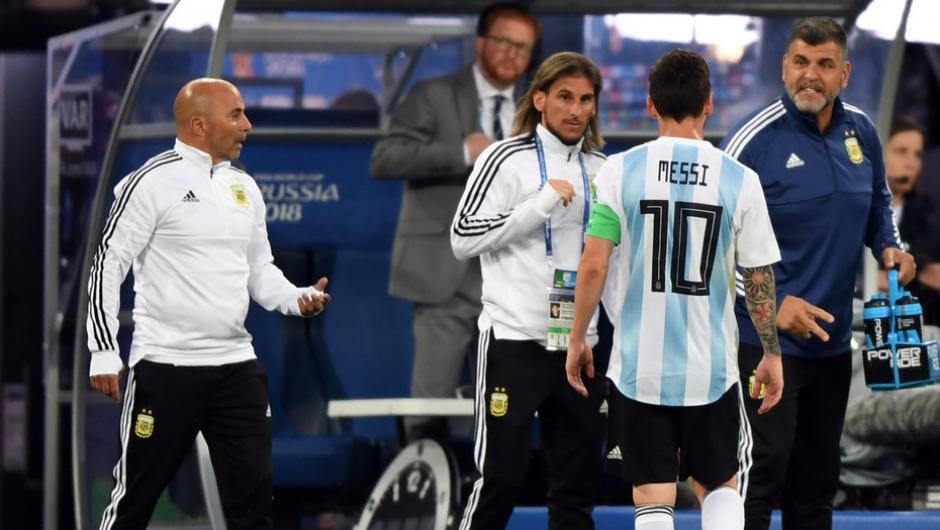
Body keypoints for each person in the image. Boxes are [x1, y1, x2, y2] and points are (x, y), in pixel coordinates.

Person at [86, 78, 331, 530]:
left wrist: (297, 299)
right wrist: (103, 349)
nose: (247, 125)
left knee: (254, 509)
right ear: (199, 125)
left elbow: (259, 270)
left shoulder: (244, 187)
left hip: (236, 367)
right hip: (166, 366)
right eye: (235, 115)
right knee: (133, 503)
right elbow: (107, 265)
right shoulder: (149, 183)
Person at [565, 48, 785, 530]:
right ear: (709, 103)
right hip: (712, 368)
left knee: (652, 495)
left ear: (650, 104)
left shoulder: (619, 171)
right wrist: (771, 352)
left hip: (639, 366)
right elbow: (758, 277)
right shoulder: (740, 179)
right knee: (720, 486)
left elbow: (594, 262)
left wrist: (578, 337)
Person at [719, 17, 916, 530]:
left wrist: (889, 246)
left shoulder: (862, 132)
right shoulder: (751, 142)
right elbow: (712, 250)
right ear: (784, 66)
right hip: (763, 347)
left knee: (817, 484)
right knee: (759, 474)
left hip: (831, 348)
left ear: (844, 73)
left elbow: (878, 203)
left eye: (825, 64)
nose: (811, 75)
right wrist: (772, 305)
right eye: (801, 62)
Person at [451, 51, 607, 530]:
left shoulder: (605, 168)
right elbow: (463, 237)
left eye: (585, 99)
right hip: (513, 340)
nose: (576, 110)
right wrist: (538, 205)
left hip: (581, 345)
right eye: (564, 97)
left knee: (577, 492)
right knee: (499, 480)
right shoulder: (503, 158)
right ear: (539, 99)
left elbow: (613, 263)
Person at [370, 2, 540, 441]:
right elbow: (385, 159)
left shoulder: (537, 107)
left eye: (522, 47)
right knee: (431, 400)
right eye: (503, 42)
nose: (512, 54)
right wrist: (463, 152)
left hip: (512, 276)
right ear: (480, 43)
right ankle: (425, 477)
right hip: (442, 272)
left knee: (506, 402)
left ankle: (493, 481)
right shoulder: (433, 95)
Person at [882, 116, 940, 325]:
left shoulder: (930, 224)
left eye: (917, 155)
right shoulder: (848, 214)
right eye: (901, 152)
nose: (911, 164)